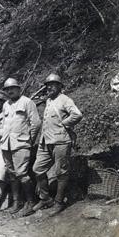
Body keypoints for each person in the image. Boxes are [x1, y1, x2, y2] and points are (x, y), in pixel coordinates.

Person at [32, 73, 83, 216]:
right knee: (37, 169)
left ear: (60, 86)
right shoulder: (48, 100)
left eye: (53, 85)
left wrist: (64, 123)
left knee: (61, 172)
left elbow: (77, 114)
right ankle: (45, 198)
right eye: (48, 85)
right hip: (45, 141)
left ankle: (59, 201)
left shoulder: (65, 99)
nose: (49, 87)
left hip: (60, 141)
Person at [1, 78, 41, 217]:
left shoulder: (27, 102)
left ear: (19, 89)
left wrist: (30, 140)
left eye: (13, 88)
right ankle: (16, 202)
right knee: (12, 175)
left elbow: (35, 123)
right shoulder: (6, 104)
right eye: (7, 89)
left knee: (22, 174)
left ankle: (30, 202)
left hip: (21, 145)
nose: (10, 91)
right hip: (6, 145)